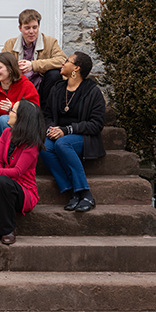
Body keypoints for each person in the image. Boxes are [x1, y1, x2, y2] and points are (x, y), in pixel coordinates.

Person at [40, 52, 106, 213]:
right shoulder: (58, 88)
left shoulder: (92, 92)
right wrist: (51, 128)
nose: (63, 63)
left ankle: (86, 194)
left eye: (67, 61)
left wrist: (67, 130)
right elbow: (47, 114)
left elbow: (96, 124)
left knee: (63, 143)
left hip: (83, 137)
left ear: (76, 68)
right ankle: (73, 192)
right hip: (58, 133)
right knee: (45, 147)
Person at [0, 99, 44, 245]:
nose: (9, 113)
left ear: (21, 117)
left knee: (1, 182)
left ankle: (8, 230)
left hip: (24, 191)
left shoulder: (32, 143)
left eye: (13, 110)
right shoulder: (7, 133)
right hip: (5, 182)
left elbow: (18, 171)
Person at [0, 52, 40, 163]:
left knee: (4, 119)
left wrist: (14, 108)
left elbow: (34, 110)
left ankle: (9, 161)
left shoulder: (26, 85)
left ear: (10, 69)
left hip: (21, 129)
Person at [1, 9, 67, 107]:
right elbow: (1, 63)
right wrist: (15, 69)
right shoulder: (10, 44)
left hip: (42, 86)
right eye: (27, 28)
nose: (31, 32)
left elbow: (62, 60)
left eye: (34, 27)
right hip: (18, 85)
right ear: (20, 28)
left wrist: (33, 65)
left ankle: (45, 111)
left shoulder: (50, 42)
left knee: (54, 74)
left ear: (39, 26)